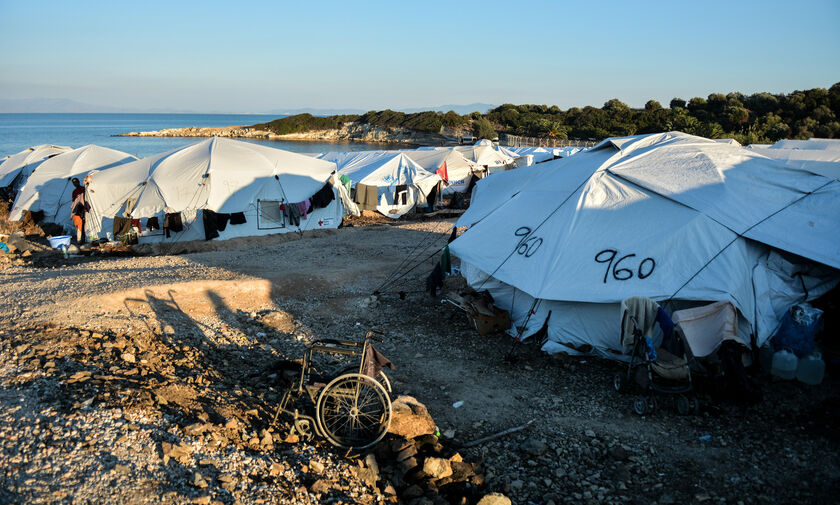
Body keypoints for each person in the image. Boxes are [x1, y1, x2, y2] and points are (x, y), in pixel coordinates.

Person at [70, 177, 89, 243]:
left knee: (84, 224)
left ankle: (83, 238)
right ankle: (80, 239)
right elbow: (74, 201)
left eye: (76, 182)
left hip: (84, 209)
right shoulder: (74, 192)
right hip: (78, 210)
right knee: (78, 224)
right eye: (74, 182)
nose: (75, 183)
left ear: (78, 181)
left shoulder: (84, 189)